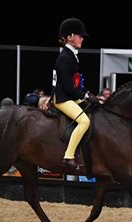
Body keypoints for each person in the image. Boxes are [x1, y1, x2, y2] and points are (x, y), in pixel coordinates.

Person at [52, 17, 99, 169]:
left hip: (70, 95)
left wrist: (89, 93)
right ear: (70, 36)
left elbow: (76, 83)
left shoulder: (72, 55)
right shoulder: (65, 57)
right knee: (84, 121)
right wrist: (84, 96)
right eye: (80, 35)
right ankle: (68, 156)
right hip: (62, 98)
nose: (82, 39)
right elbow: (67, 86)